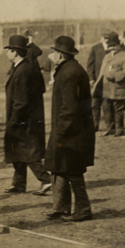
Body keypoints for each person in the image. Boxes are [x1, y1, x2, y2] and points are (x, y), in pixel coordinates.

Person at [44, 37, 95, 222]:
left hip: (72, 131)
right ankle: (61, 207)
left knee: (73, 170)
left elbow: (70, 107)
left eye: (54, 52)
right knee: (62, 168)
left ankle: (83, 208)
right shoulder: (68, 69)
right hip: (70, 128)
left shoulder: (69, 73)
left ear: (60, 54)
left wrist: (60, 132)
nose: (52, 55)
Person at [2, 35, 52, 195]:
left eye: (8, 50)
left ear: (15, 52)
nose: (6, 53)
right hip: (25, 117)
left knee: (27, 150)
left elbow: (21, 101)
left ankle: (46, 180)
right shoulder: (23, 67)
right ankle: (19, 183)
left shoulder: (23, 70)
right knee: (17, 149)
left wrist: (13, 121)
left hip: (23, 119)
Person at [96, 31, 125, 137]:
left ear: (118, 45)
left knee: (118, 109)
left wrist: (115, 76)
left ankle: (119, 129)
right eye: (110, 46)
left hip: (118, 87)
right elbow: (102, 73)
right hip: (106, 88)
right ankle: (109, 128)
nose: (112, 48)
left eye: (114, 46)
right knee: (106, 109)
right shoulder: (106, 57)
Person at [86, 33, 109, 132]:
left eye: (108, 38)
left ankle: (110, 126)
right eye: (105, 38)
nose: (106, 40)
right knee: (95, 104)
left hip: (108, 81)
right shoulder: (95, 48)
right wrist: (91, 79)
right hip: (96, 81)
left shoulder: (114, 48)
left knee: (107, 104)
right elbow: (90, 65)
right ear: (102, 38)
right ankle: (95, 125)